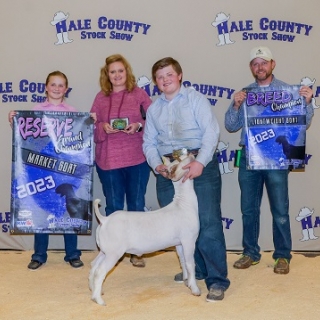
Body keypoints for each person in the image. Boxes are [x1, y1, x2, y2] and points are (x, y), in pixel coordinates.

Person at [143, 57, 230, 302]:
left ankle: (216, 280)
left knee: (208, 222)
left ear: (179, 75)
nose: (165, 80)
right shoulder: (154, 108)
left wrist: (200, 162)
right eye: (160, 77)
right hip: (168, 171)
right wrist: (156, 164)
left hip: (197, 166)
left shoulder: (196, 99)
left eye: (169, 74)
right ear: (156, 82)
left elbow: (211, 131)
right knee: (178, 226)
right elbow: (148, 142)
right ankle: (195, 271)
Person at [225, 46, 314, 274]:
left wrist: (307, 102)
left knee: (280, 210)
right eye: (255, 63)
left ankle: (283, 256)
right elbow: (231, 125)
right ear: (251, 68)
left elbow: (303, 122)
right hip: (249, 157)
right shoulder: (244, 94)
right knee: (248, 209)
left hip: (277, 158)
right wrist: (235, 105)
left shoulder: (288, 91)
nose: (259, 67)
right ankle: (250, 253)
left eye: (263, 62)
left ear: (272, 64)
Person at [8, 71, 84, 270]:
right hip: (42, 169)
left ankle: (72, 254)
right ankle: (39, 255)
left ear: (66, 89)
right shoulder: (36, 109)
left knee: (68, 211)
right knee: (41, 212)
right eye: (53, 84)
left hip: (64, 171)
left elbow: (80, 138)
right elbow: (27, 135)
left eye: (61, 85)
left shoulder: (72, 111)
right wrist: (14, 119)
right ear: (46, 87)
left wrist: (89, 122)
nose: (57, 88)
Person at [90, 54, 152, 268]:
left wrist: (139, 126)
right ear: (107, 75)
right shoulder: (100, 98)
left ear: (127, 72)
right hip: (108, 162)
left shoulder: (140, 94)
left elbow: (153, 120)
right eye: (112, 71)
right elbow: (91, 126)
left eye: (120, 70)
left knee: (136, 205)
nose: (117, 75)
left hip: (136, 159)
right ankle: (111, 250)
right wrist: (102, 127)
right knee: (114, 208)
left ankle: (137, 251)